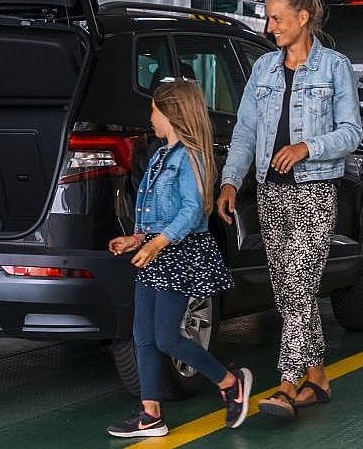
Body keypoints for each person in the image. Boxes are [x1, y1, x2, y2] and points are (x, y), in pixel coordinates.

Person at [216, 0, 362, 421]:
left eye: (276, 18)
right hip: (270, 194)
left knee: (299, 290)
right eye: (268, 17)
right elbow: (244, 132)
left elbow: (352, 132)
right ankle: (317, 378)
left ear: (302, 18)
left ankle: (286, 384)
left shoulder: (335, 68)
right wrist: (230, 180)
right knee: (288, 294)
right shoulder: (262, 69)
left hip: (314, 192)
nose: (269, 26)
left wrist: (306, 147)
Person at [106, 80, 253, 438]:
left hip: (178, 254)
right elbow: (154, 211)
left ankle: (231, 381)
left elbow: (193, 211)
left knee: (167, 338)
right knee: (142, 335)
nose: (150, 116)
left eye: (154, 110)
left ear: (171, 113)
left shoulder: (192, 156)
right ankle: (150, 413)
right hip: (155, 250)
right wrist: (137, 238)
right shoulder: (158, 155)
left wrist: (157, 244)